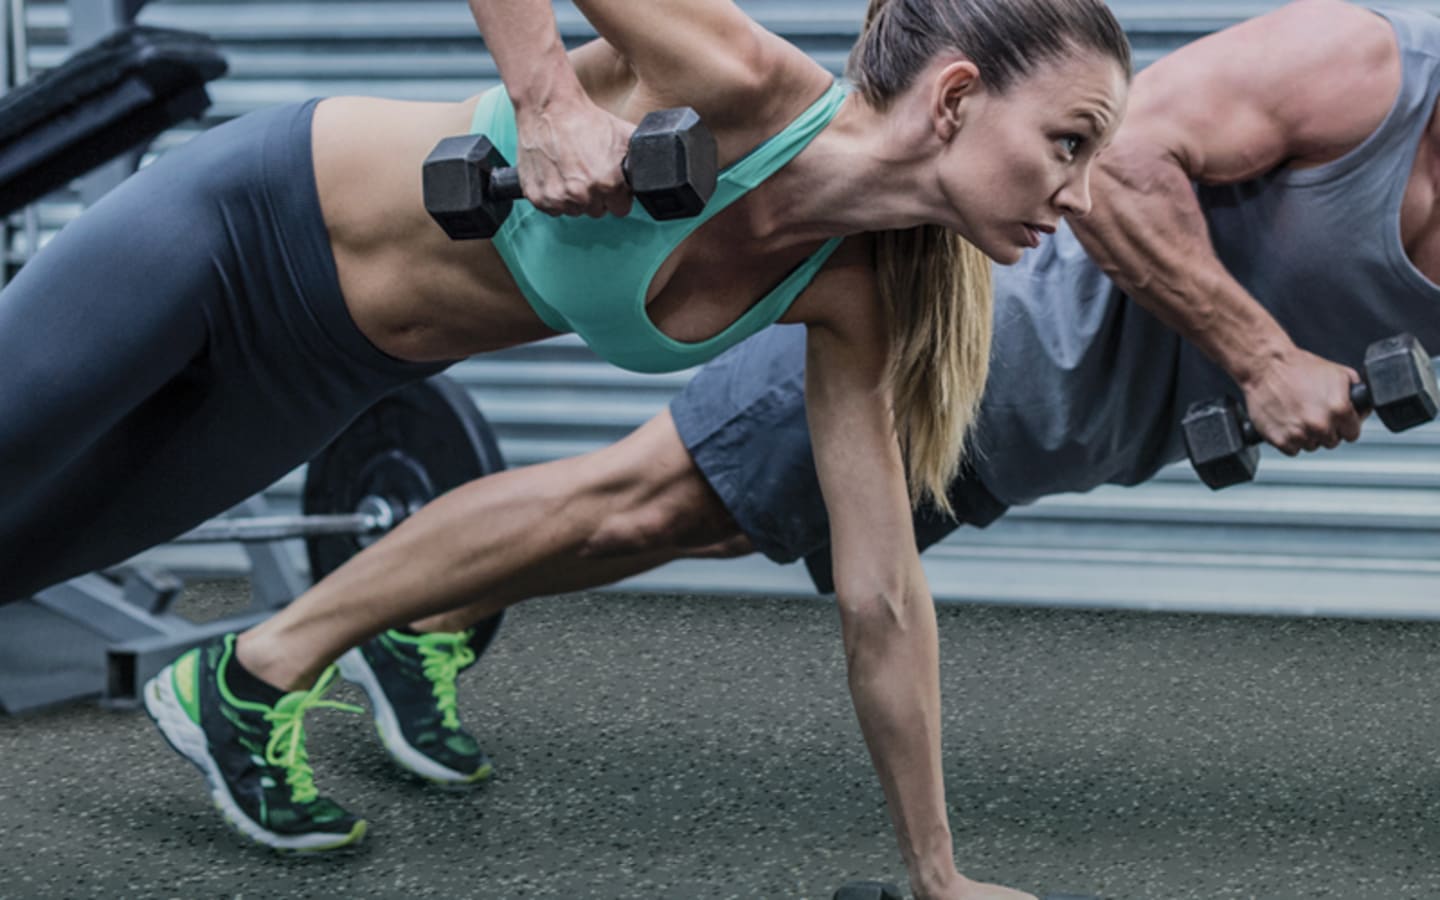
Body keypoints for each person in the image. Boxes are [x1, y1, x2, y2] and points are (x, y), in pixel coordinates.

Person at [149, 0, 1440, 891]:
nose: (1066, 172)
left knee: (698, 515)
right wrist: (1263, 355)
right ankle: (259, 666)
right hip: (987, 345)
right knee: (642, 495)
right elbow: (1130, 152)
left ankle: (417, 625)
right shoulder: (1365, 59)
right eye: (1052, 142)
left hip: (1039, 426)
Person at [0, 0, 1125, 894]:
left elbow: (880, 594)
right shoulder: (733, 75)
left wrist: (940, 878)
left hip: (325, 374)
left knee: (21, 560)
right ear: (959, 98)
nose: (1080, 196)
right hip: (230, 230)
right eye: (1068, 143)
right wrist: (545, 102)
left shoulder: (855, 292)